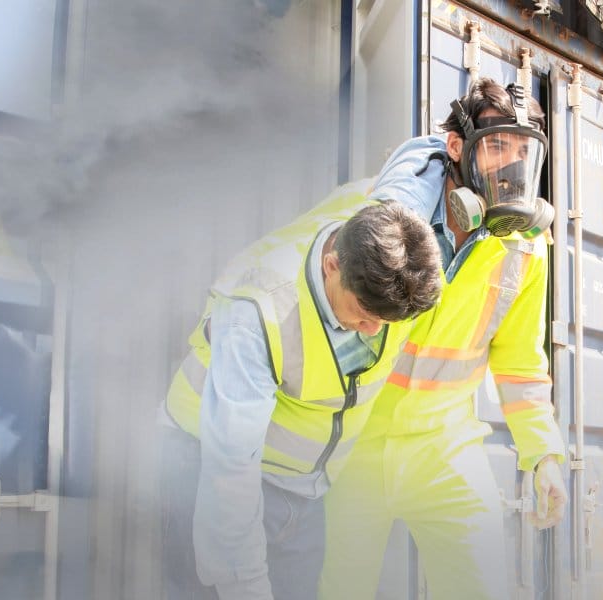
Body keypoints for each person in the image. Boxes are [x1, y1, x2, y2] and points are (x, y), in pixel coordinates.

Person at [318, 78, 568, 600]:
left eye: (523, 151)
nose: (509, 165)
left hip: (448, 449)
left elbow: (521, 364)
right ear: (457, 147)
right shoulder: (382, 221)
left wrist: (545, 455)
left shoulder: (524, 249)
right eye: (496, 145)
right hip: (357, 443)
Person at [160, 182, 442, 600]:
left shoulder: (386, 238)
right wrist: (245, 584)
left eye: (388, 320)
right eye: (364, 314)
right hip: (206, 460)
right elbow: (231, 469)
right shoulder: (257, 309)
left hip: (304, 486)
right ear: (332, 265)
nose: (374, 331)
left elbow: (422, 167)